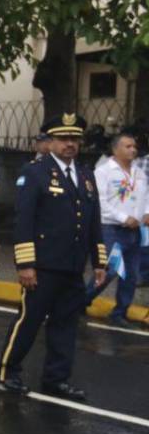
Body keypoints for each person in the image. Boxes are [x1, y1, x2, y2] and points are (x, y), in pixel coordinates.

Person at [0, 114, 105, 401]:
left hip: (73, 264)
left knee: (65, 324)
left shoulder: (85, 174)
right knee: (30, 320)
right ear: (51, 141)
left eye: (75, 139)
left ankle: (57, 378)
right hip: (43, 265)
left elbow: (93, 221)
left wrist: (99, 261)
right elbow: (24, 221)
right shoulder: (35, 172)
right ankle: (7, 369)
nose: (70, 144)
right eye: (64, 139)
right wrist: (26, 264)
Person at [87, 133, 146, 327]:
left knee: (131, 273)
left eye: (134, 146)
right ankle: (80, 301)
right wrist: (123, 217)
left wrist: (146, 213)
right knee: (108, 271)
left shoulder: (138, 172)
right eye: (128, 146)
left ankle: (120, 313)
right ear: (115, 149)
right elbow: (100, 202)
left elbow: (146, 196)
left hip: (134, 231)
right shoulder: (103, 171)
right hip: (111, 229)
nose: (133, 150)